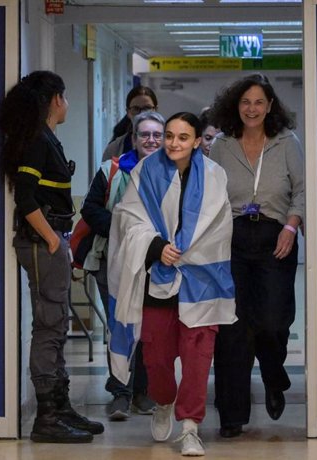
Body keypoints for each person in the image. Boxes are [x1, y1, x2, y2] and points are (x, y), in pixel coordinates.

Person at [106, 112, 237, 457]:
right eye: (169, 136)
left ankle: (190, 426)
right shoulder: (145, 172)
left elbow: (221, 228)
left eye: (183, 137)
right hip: (158, 282)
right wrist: (155, 247)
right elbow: (127, 219)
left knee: (197, 359)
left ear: (196, 141)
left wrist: (187, 251)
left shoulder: (214, 176)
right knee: (158, 360)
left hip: (202, 281)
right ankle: (163, 401)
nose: (173, 143)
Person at [0, 70, 104, 443]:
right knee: (48, 325)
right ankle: (47, 417)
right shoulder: (36, 141)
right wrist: (53, 241)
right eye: (66, 96)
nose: (68, 103)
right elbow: (25, 198)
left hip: (50, 241)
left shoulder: (45, 138)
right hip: (43, 243)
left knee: (56, 324)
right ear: (56, 99)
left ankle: (60, 408)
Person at [209, 73, 304, 438]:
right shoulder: (221, 145)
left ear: (270, 107)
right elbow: (211, 194)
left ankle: (274, 376)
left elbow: (301, 190)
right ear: (236, 105)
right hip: (230, 240)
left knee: (272, 321)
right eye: (246, 102)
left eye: (259, 102)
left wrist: (291, 226)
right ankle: (232, 415)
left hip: (275, 236)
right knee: (232, 328)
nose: (252, 109)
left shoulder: (286, 143)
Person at [80, 111, 166, 421]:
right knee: (120, 326)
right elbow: (89, 209)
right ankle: (120, 393)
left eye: (157, 134)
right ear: (133, 138)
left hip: (154, 265)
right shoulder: (112, 170)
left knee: (147, 330)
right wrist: (122, 227)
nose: (151, 140)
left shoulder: (173, 173)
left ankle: (142, 392)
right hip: (112, 262)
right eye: (145, 134)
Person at [102, 86, 158, 161]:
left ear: (156, 110)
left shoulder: (170, 146)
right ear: (128, 112)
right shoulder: (114, 149)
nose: (141, 114)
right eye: (136, 109)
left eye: (147, 108)